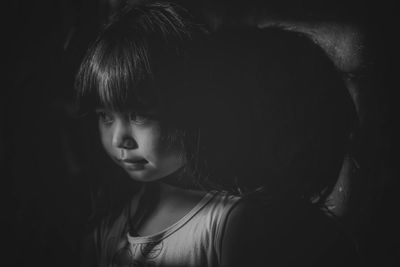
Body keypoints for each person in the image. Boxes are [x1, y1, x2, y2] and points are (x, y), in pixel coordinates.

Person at [75, 2, 260, 267]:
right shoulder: (111, 221)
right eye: (105, 116)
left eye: (138, 116)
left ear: (191, 109)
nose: (118, 140)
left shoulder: (230, 224)